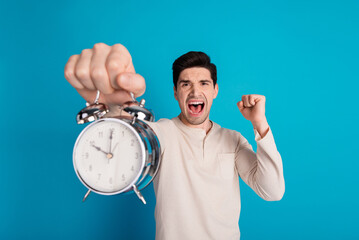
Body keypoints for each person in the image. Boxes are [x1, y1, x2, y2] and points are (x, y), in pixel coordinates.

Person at [64, 43, 285, 240]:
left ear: (215, 90)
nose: (195, 91)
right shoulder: (159, 133)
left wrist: (259, 122)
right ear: (176, 93)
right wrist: (114, 110)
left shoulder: (233, 139)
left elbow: (272, 191)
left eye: (204, 83)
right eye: (186, 84)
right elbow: (123, 146)